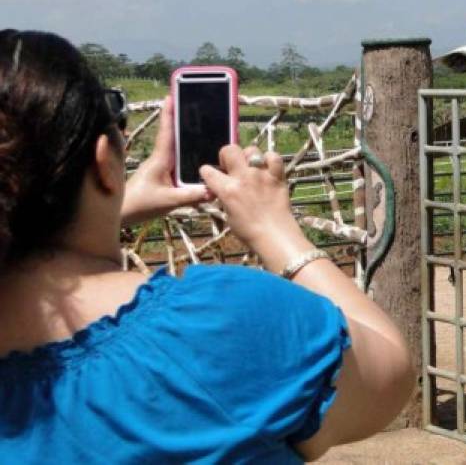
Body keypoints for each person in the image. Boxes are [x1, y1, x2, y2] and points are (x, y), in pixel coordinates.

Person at [0, 30, 414, 463]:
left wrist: (109, 211)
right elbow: (390, 370)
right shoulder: (215, 324)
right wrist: (275, 230)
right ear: (105, 164)